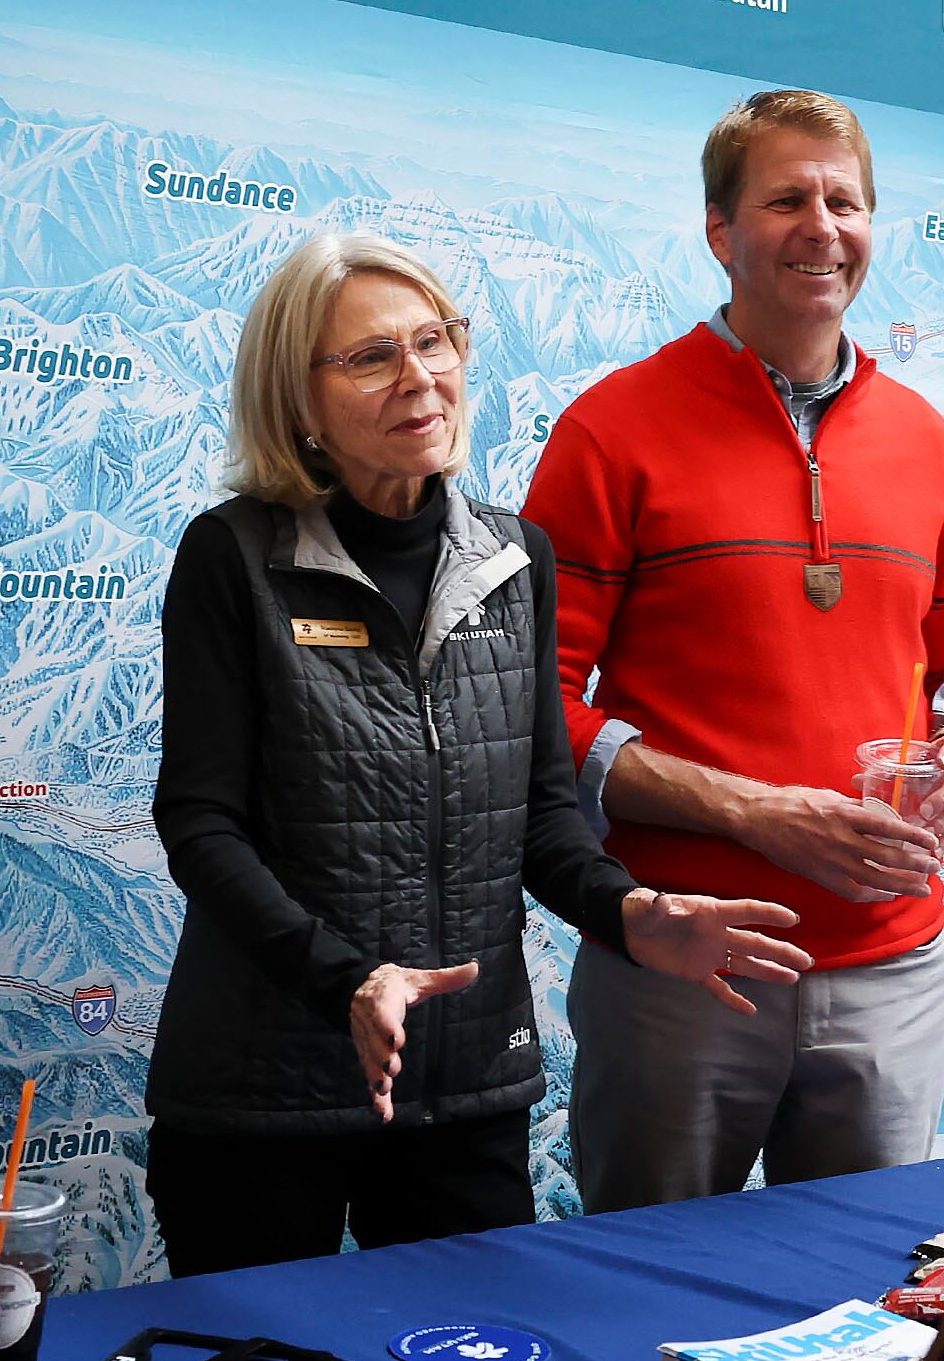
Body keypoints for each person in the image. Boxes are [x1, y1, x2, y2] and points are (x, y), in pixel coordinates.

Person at [145, 232, 813, 1275]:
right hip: (265, 1093)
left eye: (435, 340)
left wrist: (632, 911)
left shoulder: (516, 557)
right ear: (298, 398)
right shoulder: (234, 556)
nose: (420, 378)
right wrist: (348, 977)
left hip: (466, 1088)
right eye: (371, 357)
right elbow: (201, 821)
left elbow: (545, 814)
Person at [524, 89, 944, 1210]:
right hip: (689, 966)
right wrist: (753, 810)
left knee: (865, 1315)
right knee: (643, 1294)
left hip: (894, 968)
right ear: (719, 232)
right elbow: (532, 704)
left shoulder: (928, 444)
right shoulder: (613, 428)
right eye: (787, 196)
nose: (821, 223)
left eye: (844, 199)